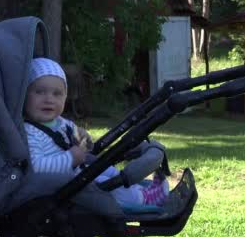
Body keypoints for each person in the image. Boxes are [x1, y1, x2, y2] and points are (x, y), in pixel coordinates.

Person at [24, 57, 168, 206]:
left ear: (65, 97)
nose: (49, 99)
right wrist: (70, 158)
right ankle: (144, 199)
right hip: (58, 187)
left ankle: (136, 187)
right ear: (24, 95)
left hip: (75, 172)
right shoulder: (29, 132)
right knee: (103, 185)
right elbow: (35, 167)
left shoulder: (60, 122)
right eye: (40, 92)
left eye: (57, 94)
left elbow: (76, 137)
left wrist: (82, 137)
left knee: (106, 170)